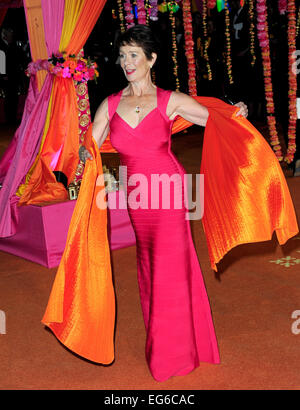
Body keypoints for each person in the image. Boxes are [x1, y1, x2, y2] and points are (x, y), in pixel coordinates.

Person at [79, 24, 248, 382]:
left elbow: (215, 118)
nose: (126, 62)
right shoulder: (109, 105)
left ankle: (169, 354)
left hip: (168, 191)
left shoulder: (169, 100)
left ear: (151, 59)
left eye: (133, 55)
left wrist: (237, 113)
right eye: (122, 55)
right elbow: (89, 144)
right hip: (138, 197)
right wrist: (81, 152)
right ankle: (182, 343)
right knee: (149, 264)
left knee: (168, 267)